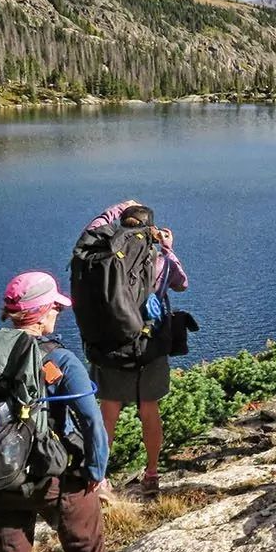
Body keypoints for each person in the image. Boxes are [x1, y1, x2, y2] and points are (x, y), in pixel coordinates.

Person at [0, 271, 112, 552]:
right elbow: (91, 419)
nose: (58, 312)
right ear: (40, 314)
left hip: (0, 475)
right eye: (55, 307)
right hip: (55, 476)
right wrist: (95, 470)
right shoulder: (61, 360)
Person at [83, 200, 188, 495]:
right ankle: (152, 474)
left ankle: (99, 479)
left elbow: (89, 233)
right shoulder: (159, 258)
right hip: (149, 345)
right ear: (151, 229)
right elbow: (182, 284)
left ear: (121, 225)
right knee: (149, 409)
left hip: (111, 345)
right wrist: (167, 248)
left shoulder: (104, 254)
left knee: (108, 412)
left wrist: (114, 210)